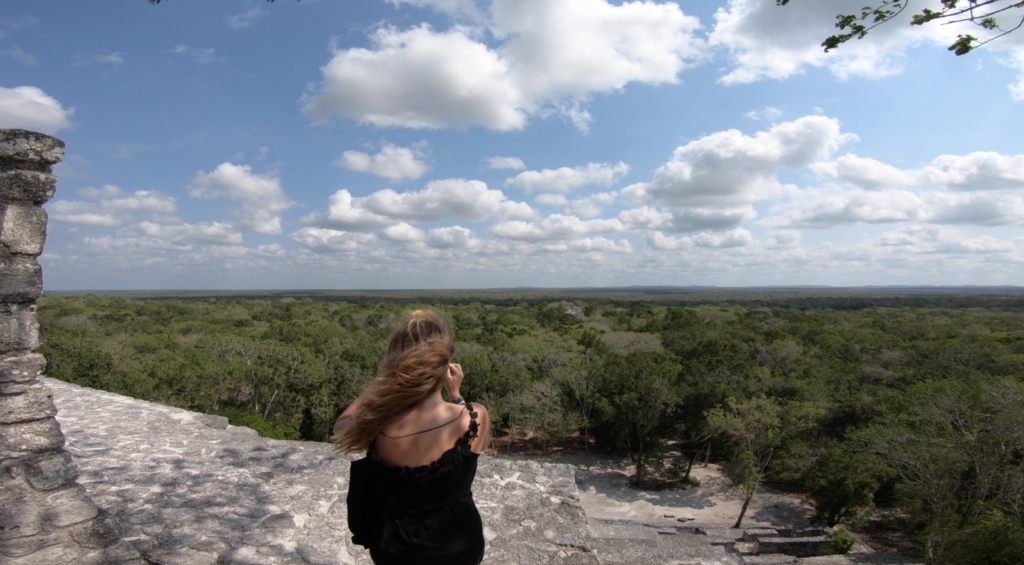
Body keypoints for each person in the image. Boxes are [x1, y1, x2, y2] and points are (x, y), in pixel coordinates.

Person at [333, 310, 491, 565]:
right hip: (458, 545)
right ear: (446, 362)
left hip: (395, 550)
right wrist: (457, 396)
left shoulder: (377, 422)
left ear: (394, 363)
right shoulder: (473, 417)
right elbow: (478, 447)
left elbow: (340, 428)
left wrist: (381, 380)